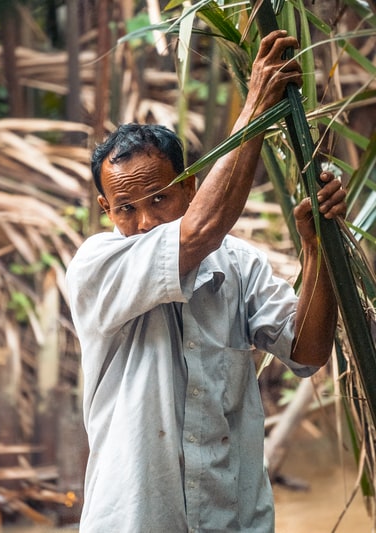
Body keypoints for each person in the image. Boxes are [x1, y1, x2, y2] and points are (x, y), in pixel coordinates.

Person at [66, 30, 346, 532]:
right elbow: (200, 230)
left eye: (159, 199)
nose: (145, 222)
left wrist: (317, 246)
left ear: (189, 185)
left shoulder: (239, 265)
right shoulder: (96, 265)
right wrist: (257, 106)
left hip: (233, 519)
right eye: (125, 209)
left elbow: (307, 353)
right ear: (105, 210)